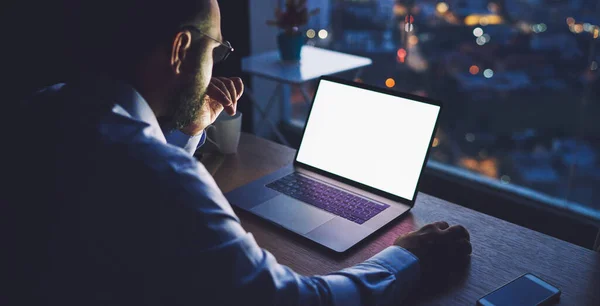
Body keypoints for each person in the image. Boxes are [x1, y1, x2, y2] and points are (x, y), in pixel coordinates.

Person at [5, 0, 471, 305]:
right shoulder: (158, 176)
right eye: (216, 50)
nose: (217, 64)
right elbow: (294, 302)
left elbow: (133, 182)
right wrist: (408, 256)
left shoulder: (44, 107)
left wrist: (189, 130)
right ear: (180, 49)